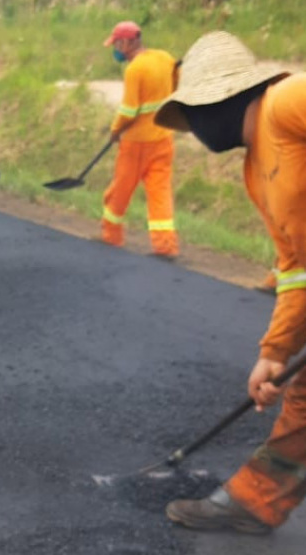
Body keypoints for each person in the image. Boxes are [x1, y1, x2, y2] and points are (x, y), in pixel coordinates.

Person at [154, 31, 303, 535]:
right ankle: (255, 503)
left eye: (194, 114)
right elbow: (295, 269)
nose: (194, 129)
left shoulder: (286, 102)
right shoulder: (255, 169)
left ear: (222, 99)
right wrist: (275, 353)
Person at [100, 21, 180, 259]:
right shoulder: (165, 58)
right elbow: (177, 88)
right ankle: (165, 246)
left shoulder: (135, 70)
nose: (115, 49)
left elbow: (128, 111)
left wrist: (115, 131)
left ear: (126, 43)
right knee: (160, 193)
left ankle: (111, 237)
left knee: (120, 191)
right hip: (164, 139)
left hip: (137, 143)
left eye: (116, 44)